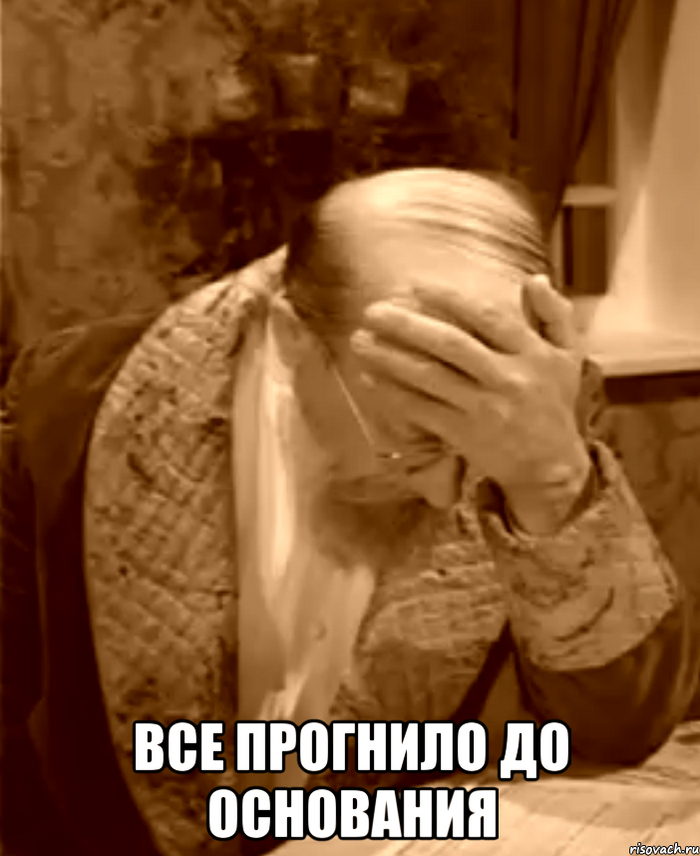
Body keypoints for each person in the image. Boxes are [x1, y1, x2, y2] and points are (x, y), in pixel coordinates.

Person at [1, 169, 698, 856]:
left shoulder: (536, 409)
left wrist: (550, 478)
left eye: (474, 456)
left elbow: (623, 730)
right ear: (292, 338)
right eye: (414, 444)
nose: (446, 497)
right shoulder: (72, 402)